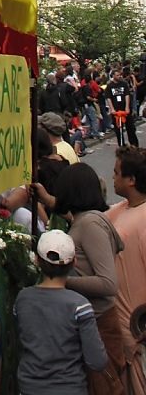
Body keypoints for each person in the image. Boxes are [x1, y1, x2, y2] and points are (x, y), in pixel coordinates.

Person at [35, 164, 125, 395]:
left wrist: (61, 280)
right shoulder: (85, 220)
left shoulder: (90, 224)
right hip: (93, 322)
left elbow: (108, 283)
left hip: (99, 324)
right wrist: (47, 199)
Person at [15, 230, 107, 395]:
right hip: (70, 388)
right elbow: (97, 361)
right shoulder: (80, 306)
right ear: (74, 263)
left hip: (29, 388)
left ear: (36, 260)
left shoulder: (23, 299)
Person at [106, 147, 146, 395]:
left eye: (116, 172)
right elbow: (89, 222)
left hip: (139, 330)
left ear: (131, 180)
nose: (113, 177)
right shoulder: (121, 208)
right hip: (123, 328)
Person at [106, 70, 133, 147]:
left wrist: (127, 107)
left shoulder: (124, 84)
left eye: (120, 75)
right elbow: (108, 98)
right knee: (118, 129)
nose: (119, 76)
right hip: (116, 109)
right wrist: (112, 109)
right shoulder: (110, 86)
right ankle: (121, 145)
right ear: (113, 76)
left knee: (130, 127)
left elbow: (127, 95)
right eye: (117, 75)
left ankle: (134, 144)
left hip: (124, 108)